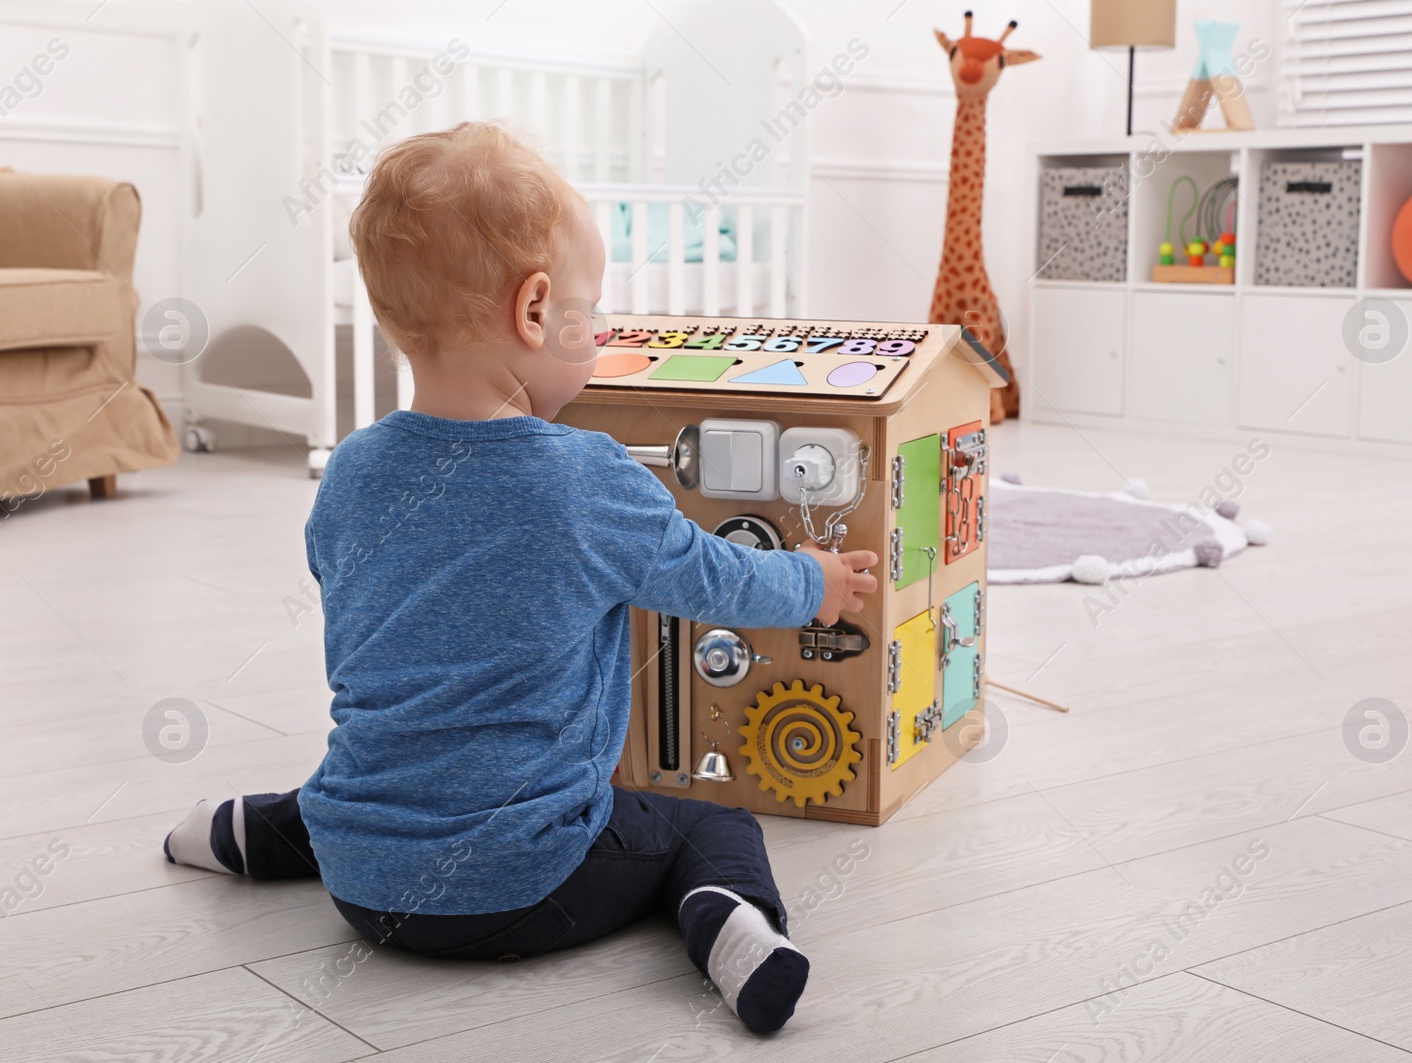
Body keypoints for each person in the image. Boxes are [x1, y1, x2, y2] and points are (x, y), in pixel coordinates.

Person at [161, 121, 877, 1034]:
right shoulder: (588, 475)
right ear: (537, 310)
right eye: (594, 307)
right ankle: (732, 926)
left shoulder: (349, 470)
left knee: (375, 777)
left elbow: (343, 584)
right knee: (710, 824)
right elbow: (714, 579)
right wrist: (811, 581)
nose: (602, 327)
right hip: (518, 889)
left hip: (360, 882)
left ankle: (225, 832)